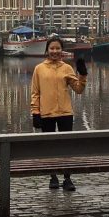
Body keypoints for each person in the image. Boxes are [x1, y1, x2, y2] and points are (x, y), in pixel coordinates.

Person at [31, 37, 88, 191]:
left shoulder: (67, 68)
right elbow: (35, 93)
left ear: (62, 50)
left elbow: (78, 89)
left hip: (65, 112)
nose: (55, 51)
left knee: (66, 147)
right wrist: (35, 112)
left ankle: (67, 178)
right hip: (46, 113)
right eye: (52, 48)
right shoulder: (39, 69)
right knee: (49, 147)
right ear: (47, 50)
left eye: (58, 48)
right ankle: (53, 176)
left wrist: (82, 74)